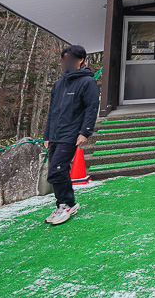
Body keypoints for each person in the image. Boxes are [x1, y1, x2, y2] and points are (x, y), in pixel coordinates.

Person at [43, 44, 99, 225]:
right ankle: (62, 204)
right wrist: (47, 135)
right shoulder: (59, 84)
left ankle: (68, 204)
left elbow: (92, 108)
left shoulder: (87, 82)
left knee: (57, 170)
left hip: (72, 134)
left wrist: (85, 132)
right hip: (55, 134)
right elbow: (52, 111)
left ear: (80, 60)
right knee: (58, 170)